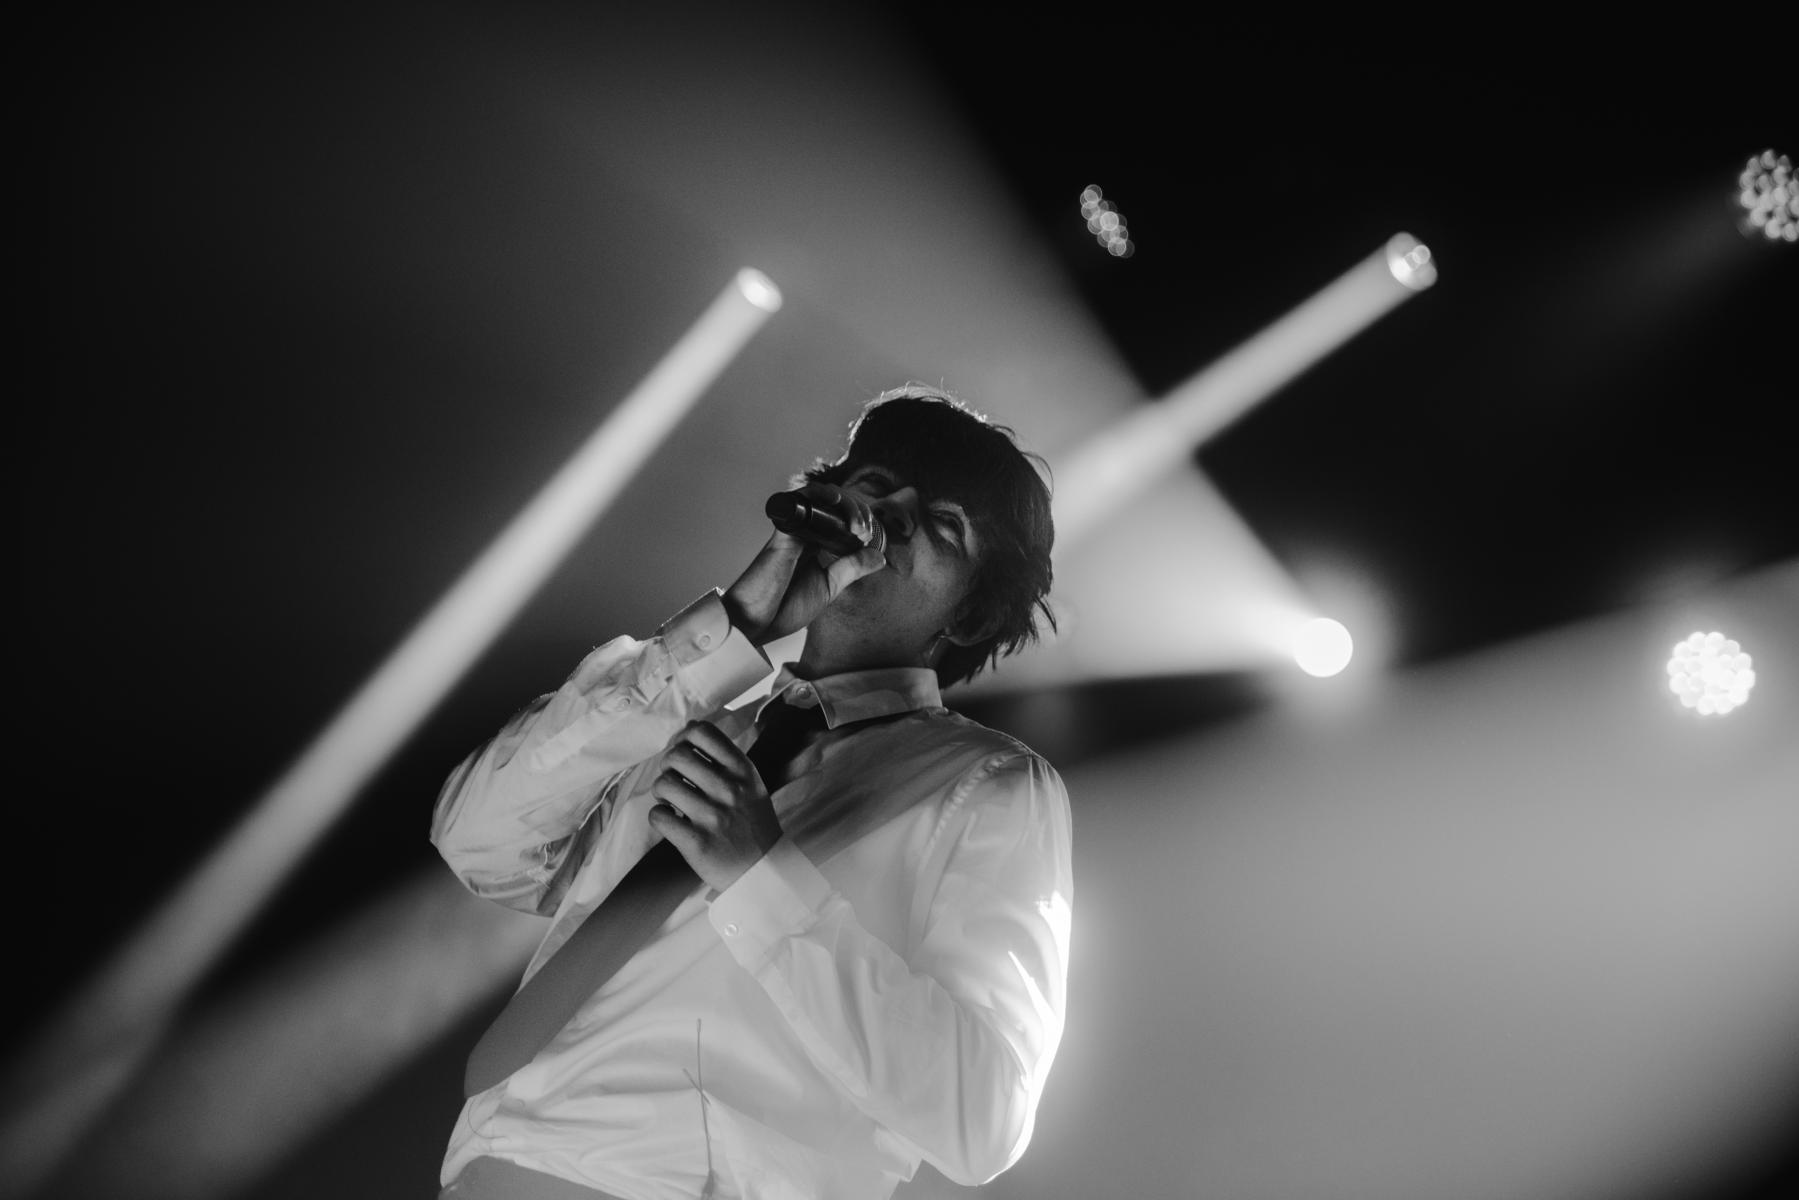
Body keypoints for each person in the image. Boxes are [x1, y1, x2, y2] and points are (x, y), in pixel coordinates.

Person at [431, 385, 1072, 1200]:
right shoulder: (687, 713)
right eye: (876, 485)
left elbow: (984, 1116)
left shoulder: (992, 787)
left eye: (942, 525)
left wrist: (759, 873)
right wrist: (726, 631)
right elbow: (476, 842)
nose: (891, 516)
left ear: (972, 617)